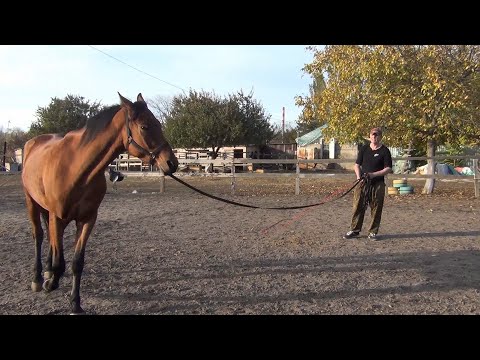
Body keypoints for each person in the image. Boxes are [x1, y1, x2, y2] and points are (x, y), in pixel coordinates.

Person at [343, 127, 392, 240]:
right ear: (369, 136)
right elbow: (356, 165)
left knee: (376, 207)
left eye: (377, 135)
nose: (374, 136)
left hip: (378, 183)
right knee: (358, 205)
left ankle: (373, 232)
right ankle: (354, 230)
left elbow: (388, 168)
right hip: (363, 182)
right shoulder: (364, 149)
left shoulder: (384, 151)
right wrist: (359, 176)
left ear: (380, 137)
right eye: (373, 134)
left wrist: (374, 174)